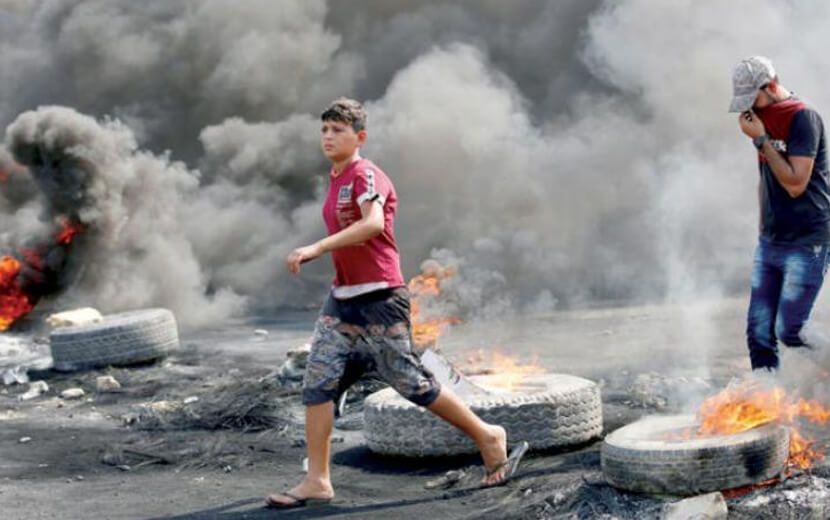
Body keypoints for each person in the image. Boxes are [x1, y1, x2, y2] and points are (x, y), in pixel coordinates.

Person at [265, 98, 527, 509]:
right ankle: (317, 480)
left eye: (338, 130)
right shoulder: (335, 179)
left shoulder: (367, 174)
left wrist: (316, 246)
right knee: (317, 382)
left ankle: (487, 435)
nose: (329, 137)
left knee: (410, 382)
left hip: (381, 299)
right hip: (342, 299)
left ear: (360, 137)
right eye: (325, 130)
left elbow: (371, 225)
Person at [729, 56, 830, 371]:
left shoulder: (803, 118)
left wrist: (761, 140)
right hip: (771, 241)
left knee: (791, 329)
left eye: (754, 99)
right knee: (758, 332)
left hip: (807, 241)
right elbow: (767, 178)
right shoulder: (761, 119)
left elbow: (796, 183)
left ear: (771, 86)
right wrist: (763, 227)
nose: (752, 109)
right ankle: (764, 399)